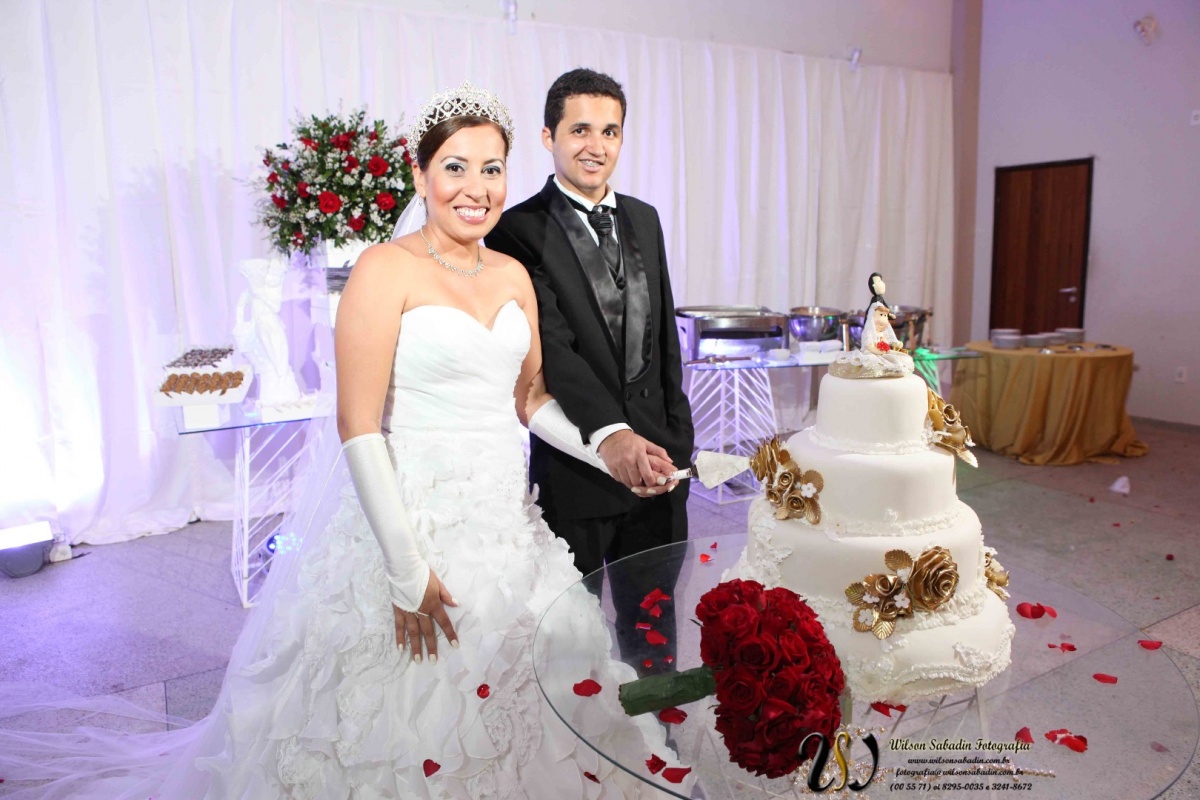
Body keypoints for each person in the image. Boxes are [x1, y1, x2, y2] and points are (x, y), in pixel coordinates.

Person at [0, 83, 684, 800]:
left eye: (491, 169)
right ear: (421, 176)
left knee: (543, 694)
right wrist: (403, 567)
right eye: (455, 167)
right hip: (409, 521)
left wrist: (605, 448)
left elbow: (531, 397)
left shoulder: (513, 275)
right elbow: (356, 424)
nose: (476, 189)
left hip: (505, 523)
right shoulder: (383, 270)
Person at [486, 69, 694, 668]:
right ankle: (583, 760)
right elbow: (551, 349)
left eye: (610, 131)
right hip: (578, 470)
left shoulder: (646, 218)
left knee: (654, 630)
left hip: (660, 474)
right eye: (580, 129)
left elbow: (664, 342)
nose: (595, 146)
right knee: (573, 642)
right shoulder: (517, 229)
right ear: (548, 135)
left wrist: (677, 441)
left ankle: (659, 749)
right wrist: (614, 437)